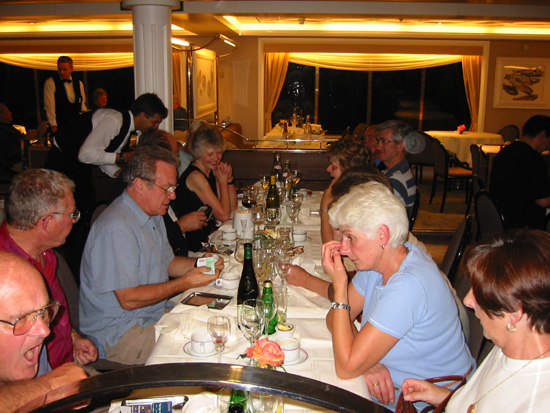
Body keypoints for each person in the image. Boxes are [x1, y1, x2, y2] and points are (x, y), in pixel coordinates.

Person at [323, 182, 473, 410]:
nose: (343, 249)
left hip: (428, 404)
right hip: (396, 392)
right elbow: (333, 318)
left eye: (350, 237)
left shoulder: (408, 285)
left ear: (382, 235)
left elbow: (345, 368)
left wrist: (340, 285)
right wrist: (367, 363)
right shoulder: (381, 262)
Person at [79, 145, 221, 365]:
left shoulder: (152, 214)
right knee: (206, 349)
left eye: (173, 187)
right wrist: (185, 283)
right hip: (121, 333)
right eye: (167, 188)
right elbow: (128, 299)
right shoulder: (116, 228)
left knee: (215, 320)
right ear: (139, 184)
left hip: (152, 314)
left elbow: (169, 263)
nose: (173, 195)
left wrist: (206, 262)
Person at [402, 230, 550, 412]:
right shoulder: (511, 343)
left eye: (479, 293)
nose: (467, 301)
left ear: (514, 314)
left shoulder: (538, 403)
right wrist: (446, 398)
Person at [0, 168, 98, 369]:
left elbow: (53, 319)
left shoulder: (47, 254)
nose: (74, 221)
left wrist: (73, 338)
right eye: (72, 215)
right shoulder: (6, 275)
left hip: (68, 366)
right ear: (48, 223)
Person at [0, 251, 87, 412]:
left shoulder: (31, 348)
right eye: (22, 318)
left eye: (44, 312)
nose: (44, 331)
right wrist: (50, 386)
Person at [172, 120, 238, 251]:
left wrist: (228, 180)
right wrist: (222, 181)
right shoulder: (196, 177)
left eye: (219, 153)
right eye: (210, 154)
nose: (216, 158)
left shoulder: (210, 171)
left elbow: (232, 208)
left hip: (209, 238)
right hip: (193, 246)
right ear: (198, 153)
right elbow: (223, 216)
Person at [490, 114, 550, 230]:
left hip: (501, 215)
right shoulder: (532, 158)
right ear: (543, 134)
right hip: (523, 223)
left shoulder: (505, 152)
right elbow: (543, 201)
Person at [320, 138, 371, 243]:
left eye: (334, 167)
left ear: (348, 170)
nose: (328, 169)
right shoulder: (358, 189)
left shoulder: (358, 200)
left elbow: (331, 244)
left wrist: (324, 205)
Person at [375, 120, 424, 214]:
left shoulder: (395, 181)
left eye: (384, 141)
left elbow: (377, 214)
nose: (378, 147)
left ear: (401, 145)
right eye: (378, 141)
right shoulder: (396, 171)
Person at [43, 56, 87, 134]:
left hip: (76, 125)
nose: (62, 72)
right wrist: (54, 127)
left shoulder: (79, 83)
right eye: (59, 69)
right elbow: (50, 108)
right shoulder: (51, 83)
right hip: (60, 125)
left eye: (64, 69)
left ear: (71, 69)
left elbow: (82, 105)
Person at [0, 102, 37, 180]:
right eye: (7, 111)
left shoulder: (8, 128)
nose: (10, 112)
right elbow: (11, 151)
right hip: (12, 165)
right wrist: (26, 139)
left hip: (18, 161)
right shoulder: (2, 131)